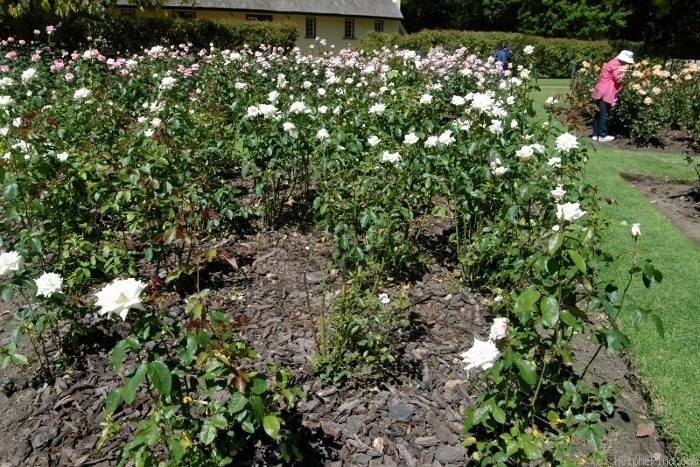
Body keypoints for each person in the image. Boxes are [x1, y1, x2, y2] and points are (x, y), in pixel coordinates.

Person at [591, 50, 634, 142]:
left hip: (600, 89)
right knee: (604, 113)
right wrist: (625, 73)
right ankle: (602, 135)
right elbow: (618, 79)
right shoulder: (616, 65)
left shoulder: (613, 62)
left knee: (598, 113)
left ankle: (595, 134)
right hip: (606, 91)